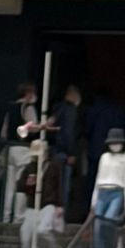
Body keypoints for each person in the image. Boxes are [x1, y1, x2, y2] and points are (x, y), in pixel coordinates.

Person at [91, 125, 125, 248]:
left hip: (117, 191)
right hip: (102, 191)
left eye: (117, 143)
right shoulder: (104, 157)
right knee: (98, 225)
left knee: (109, 222)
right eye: (112, 143)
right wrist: (93, 200)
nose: (115, 146)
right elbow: (98, 179)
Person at [1, 81, 41, 221]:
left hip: (10, 148)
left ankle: (6, 216)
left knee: (9, 186)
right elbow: (33, 128)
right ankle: (19, 217)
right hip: (23, 148)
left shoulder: (11, 108)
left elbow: (4, 132)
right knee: (21, 184)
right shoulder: (28, 108)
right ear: (28, 94)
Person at [49, 81, 83, 214]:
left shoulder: (57, 109)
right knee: (63, 188)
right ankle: (60, 217)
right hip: (64, 154)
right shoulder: (70, 110)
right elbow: (69, 132)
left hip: (54, 152)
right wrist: (71, 153)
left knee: (54, 186)